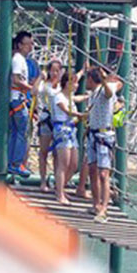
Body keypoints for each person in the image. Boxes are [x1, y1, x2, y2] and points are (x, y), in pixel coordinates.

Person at [85, 67, 123, 223]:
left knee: (103, 174)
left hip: (104, 135)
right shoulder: (92, 94)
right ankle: (96, 204)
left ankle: (104, 209)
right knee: (92, 171)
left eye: (87, 79)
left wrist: (104, 80)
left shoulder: (104, 90)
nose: (85, 82)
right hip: (92, 135)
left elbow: (109, 93)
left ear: (92, 79)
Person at [51, 70, 86, 205]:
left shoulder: (70, 97)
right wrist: (80, 115)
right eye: (74, 83)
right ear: (67, 84)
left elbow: (79, 98)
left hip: (71, 130)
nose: (77, 86)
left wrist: (83, 70)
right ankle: (60, 194)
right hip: (62, 130)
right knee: (63, 164)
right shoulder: (59, 97)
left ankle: (60, 187)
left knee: (74, 164)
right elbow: (67, 110)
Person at [9, 30, 34, 177]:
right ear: (19, 45)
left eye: (31, 44)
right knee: (22, 132)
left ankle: (11, 162)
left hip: (17, 98)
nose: (30, 47)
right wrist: (31, 88)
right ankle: (17, 163)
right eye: (27, 44)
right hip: (18, 98)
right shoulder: (18, 59)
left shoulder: (20, 59)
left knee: (15, 132)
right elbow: (16, 80)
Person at [36, 59, 63, 192]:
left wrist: (82, 71)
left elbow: (75, 80)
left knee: (58, 154)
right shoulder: (44, 85)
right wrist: (40, 77)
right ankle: (43, 181)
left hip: (59, 122)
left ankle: (58, 182)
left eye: (57, 71)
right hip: (47, 120)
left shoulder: (63, 85)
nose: (55, 73)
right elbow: (34, 91)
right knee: (44, 152)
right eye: (52, 70)